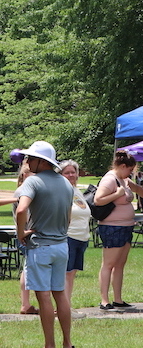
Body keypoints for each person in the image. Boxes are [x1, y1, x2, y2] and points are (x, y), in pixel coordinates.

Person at [15, 141, 74, 348]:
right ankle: (68, 343)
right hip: (61, 245)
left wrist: (21, 232)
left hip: (40, 247)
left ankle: (50, 344)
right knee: (61, 294)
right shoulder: (66, 183)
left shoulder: (33, 182)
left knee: (43, 297)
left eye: (30, 158)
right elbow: (68, 218)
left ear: (41, 161)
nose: (27, 161)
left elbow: (21, 210)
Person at [95, 150, 143, 311]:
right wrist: (116, 194)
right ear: (122, 166)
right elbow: (98, 200)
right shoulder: (110, 180)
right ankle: (104, 300)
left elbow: (139, 189)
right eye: (129, 170)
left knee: (120, 264)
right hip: (112, 227)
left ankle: (118, 299)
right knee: (109, 264)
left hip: (126, 226)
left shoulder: (123, 179)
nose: (131, 174)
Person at [59, 159, 91, 319]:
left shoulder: (75, 191)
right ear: (60, 174)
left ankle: (67, 308)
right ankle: (63, 310)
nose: (71, 175)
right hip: (68, 237)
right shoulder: (61, 191)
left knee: (71, 274)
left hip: (81, 237)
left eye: (73, 172)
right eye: (67, 172)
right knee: (66, 274)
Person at [12, 162, 37, 315]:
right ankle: (25, 304)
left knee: (28, 268)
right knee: (28, 269)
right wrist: (25, 232)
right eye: (30, 172)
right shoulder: (23, 191)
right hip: (26, 234)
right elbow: (22, 214)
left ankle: (26, 303)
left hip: (26, 233)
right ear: (24, 175)